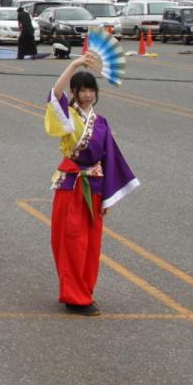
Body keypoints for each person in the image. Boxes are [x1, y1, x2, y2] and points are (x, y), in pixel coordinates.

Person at [45, 50, 139, 315]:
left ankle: (84, 291)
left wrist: (108, 197)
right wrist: (74, 64)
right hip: (72, 186)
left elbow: (111, 158)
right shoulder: (68, 117)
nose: (87, 95)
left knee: (91, 244)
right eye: (82, 90)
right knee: (72, 242)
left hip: (95, 187)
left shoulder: (101, 122)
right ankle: (73, 296)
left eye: (91, 90)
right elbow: (54, 95)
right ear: (73, 92)